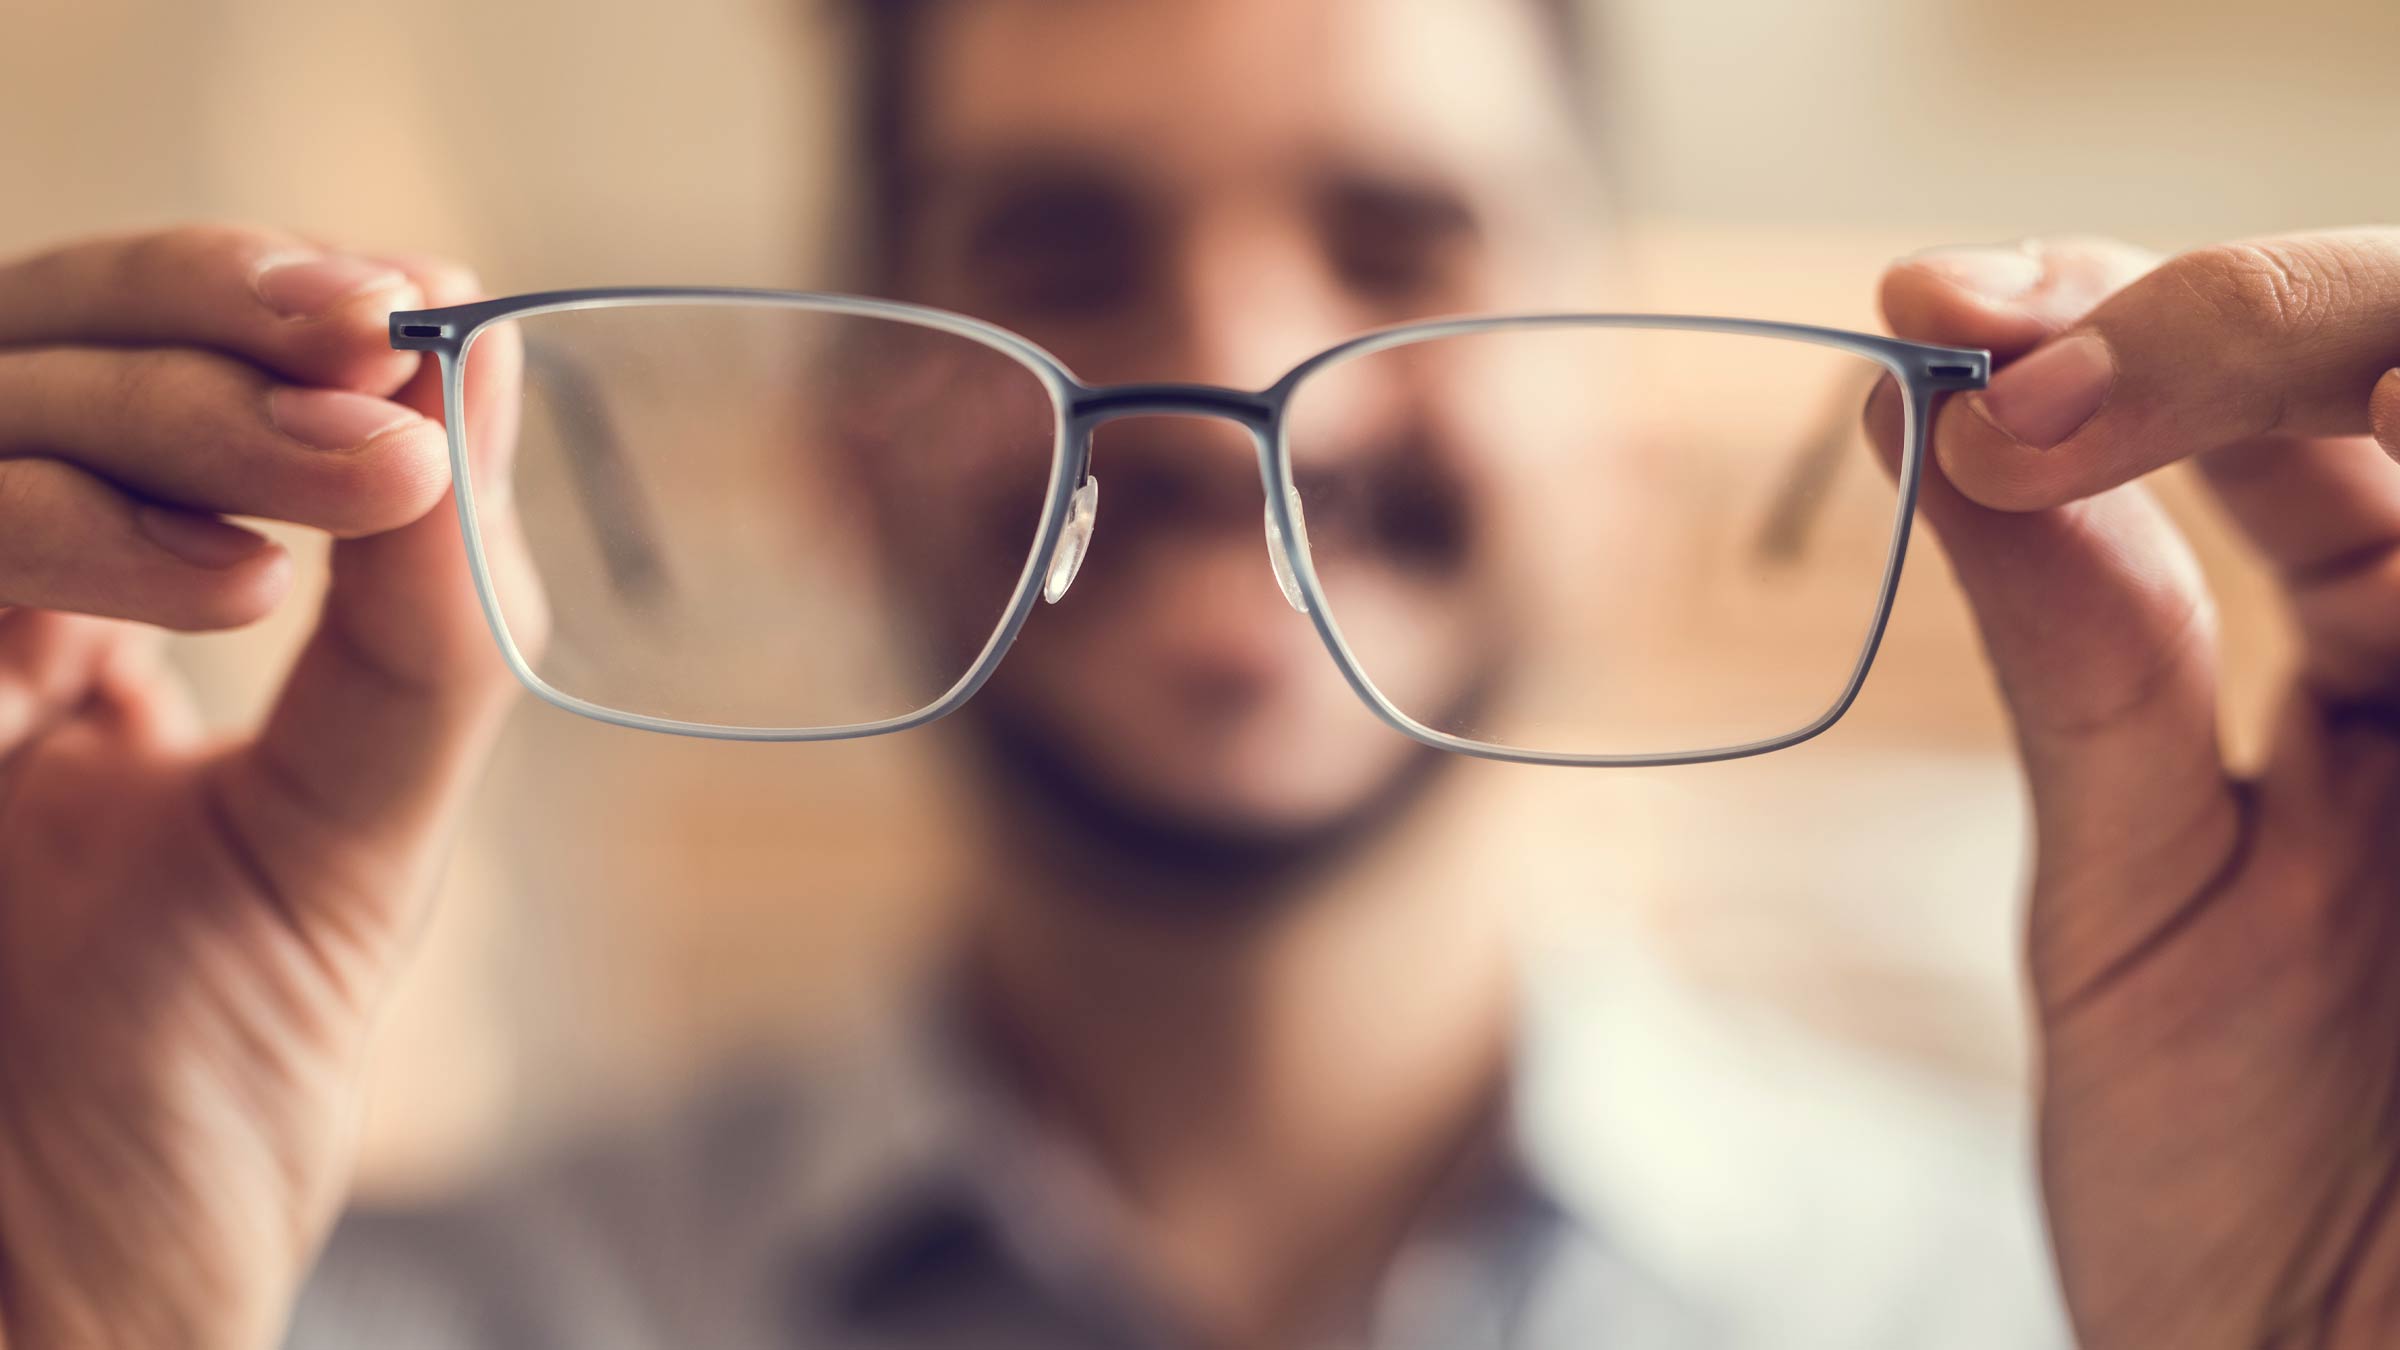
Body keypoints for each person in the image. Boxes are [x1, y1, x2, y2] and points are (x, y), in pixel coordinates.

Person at [1, 0, 2397, 1345]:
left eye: (1399, 233)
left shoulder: (2045, 1309)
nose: (1246, 366)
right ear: (841, 450)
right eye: (1052, 241)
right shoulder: (328, 1316)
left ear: (1616, 438)